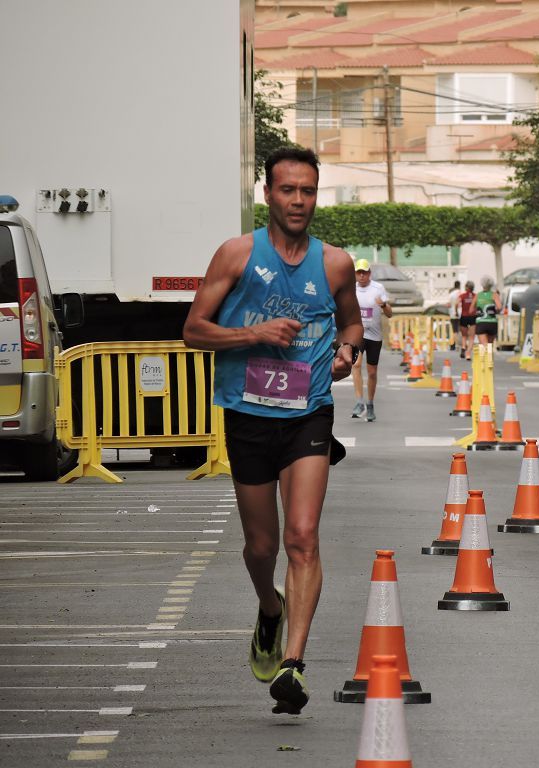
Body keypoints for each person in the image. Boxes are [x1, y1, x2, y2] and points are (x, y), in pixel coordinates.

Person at [182, 146, 363, 715]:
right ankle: (268, 606)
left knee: (302, 536)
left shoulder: (335, 264)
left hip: (308, 413)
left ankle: (294, 664)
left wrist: (348, 352)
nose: (299, 201)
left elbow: (353, 321)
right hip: (249, 415)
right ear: (269, 195)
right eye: (288, 190)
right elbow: (193, 331)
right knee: (261, 546)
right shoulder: (237, 255)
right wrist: (254, 334)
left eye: (308, 191)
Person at [350, 259, 392, 422]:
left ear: (369, 273)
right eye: (359, 272)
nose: (362, 275)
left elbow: (389, 314)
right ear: (355, 274)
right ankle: (359, 402)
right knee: (356, 365)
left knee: (372, 372)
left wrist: (383, 305)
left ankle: (370, 404)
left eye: (364, 272)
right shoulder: (350, 289)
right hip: (357, 334)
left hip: (374, 335)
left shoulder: (378, 288)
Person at [473, 275, 502, 345]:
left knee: (483, 345)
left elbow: (471, 310)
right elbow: (499, 307)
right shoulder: (494, 295)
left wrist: (478, 311)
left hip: (481, 322)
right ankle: (488, 355)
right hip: (492, 322)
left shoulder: (478, 295)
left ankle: (484, 355)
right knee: (489, 345)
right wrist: (493, 311)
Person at [457, 280, 476, 360]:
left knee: (464, 336)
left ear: (466, 287)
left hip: (464, 316)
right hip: (473, 317)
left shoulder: (462, 296)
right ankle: (468, 354)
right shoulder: (475, 296)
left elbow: (456, 304)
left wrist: (455, 311)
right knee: (471, 337)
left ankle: (464, 347)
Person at [447, 280, 461, 350]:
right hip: (462, 314)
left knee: (455, 331)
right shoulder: (462, 293)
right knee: (461, 330)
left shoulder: (451, 294)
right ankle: (463, 345)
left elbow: (449, 304)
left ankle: (457, 345)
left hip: (453, 314)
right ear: (459, 285)